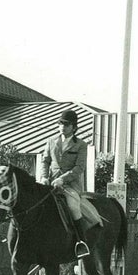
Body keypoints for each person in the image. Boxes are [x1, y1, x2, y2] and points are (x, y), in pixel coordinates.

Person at [40, 109, 89, 259]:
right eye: (60, 123)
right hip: (50, 183)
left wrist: (63, 179)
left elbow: (79, 168)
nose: (62, 127)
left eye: (66, 124)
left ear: (74, 127)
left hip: (70, 185)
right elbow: (45, 161)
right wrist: (44, 177)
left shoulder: (81, 145)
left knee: (73, 207)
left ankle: (81, 242)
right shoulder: (51, 141)